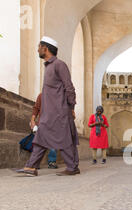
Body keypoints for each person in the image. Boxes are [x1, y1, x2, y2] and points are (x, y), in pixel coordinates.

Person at [16, 36, 80, 177]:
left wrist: (71, 108)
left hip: (60, 112)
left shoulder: (59, 65)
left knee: (64, 139)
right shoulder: (48, 66)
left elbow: (69, 88)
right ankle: (31, 167)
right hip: (48, 114)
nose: (37, 49)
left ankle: (72, 167)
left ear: (45, 48)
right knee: (41, 137)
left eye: (39, 47)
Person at [30, 93, 59, 169]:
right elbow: (36, 108)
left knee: (53, 144)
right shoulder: (41, 95)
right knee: (39, 143)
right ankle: (35, 163)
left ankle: (52, 161)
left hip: (54, 124)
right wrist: (32, 120)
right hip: (42, 123)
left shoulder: (57, 95)